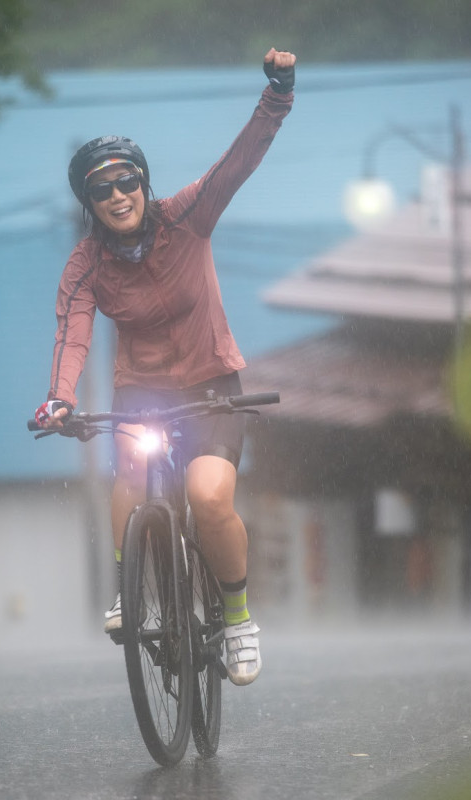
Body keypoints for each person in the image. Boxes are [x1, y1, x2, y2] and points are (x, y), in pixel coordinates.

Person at [33, 48, 298, 687]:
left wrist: (277, 95)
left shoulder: (187, 216)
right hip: (143, 390)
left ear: (145, 184)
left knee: (209, 498)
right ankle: (131, 588)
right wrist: (59, 399)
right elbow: (72, 335)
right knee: (130, 461)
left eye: (128, 182)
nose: (118, 195)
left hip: (212, 386)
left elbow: (237, 165)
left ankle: (237, 619)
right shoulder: (85, 266)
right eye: (101, 189)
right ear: (88, 202)